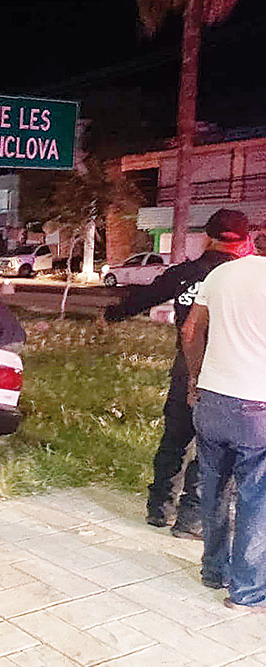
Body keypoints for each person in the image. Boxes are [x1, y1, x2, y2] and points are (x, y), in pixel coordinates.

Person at [104, 208, 252, 538]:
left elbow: (140, 299)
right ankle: (192, 519)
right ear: (244, 242)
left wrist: (111, 313)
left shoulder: (185, 273)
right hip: (227, 376)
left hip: (186, 370)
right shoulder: (247, 278)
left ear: (207, 237)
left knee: (174, 440)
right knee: (212, 448)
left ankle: (159, 508)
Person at [181, 250, 266, 612]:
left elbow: (190, 330)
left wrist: (194, 379)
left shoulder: (222, 273)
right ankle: (247, 592)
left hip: (213, 399)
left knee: (214, 487)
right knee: (256, 497)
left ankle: (214, 570)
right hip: (258, 406)